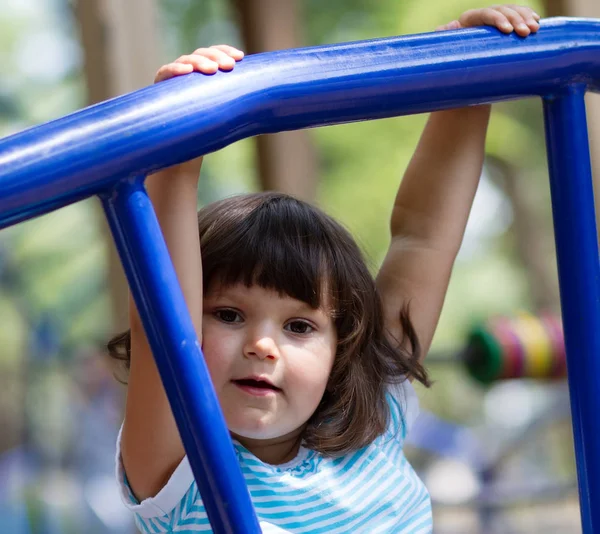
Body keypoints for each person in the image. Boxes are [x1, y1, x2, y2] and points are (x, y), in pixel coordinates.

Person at [109, 5, 540, 533]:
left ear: (343, 347)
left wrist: (467, 93)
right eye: (227, 313)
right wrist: (174, 166)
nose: (262, 345)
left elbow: (424, 239)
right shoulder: (180, 472)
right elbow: (162, 334)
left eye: (298, 326)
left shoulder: (370, 421)